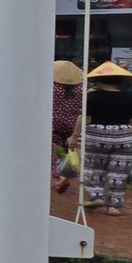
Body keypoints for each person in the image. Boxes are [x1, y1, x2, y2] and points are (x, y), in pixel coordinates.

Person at [78, 60, 132, 216]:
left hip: (97, 136)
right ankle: (114, 206)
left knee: (94, 167)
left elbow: (85, 119)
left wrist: (74, 136)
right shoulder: (130, 97)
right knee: (119, 172)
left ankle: (96, 195)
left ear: (98, 79)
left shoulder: (91, 97)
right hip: (123, 137)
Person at [50, 60, 85, 193]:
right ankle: (65, 175)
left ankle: (58, 175)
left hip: (54, 123)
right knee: (68, 151)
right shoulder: (81, 90)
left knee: (53, 150)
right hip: (73, 124)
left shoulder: (53, 88)